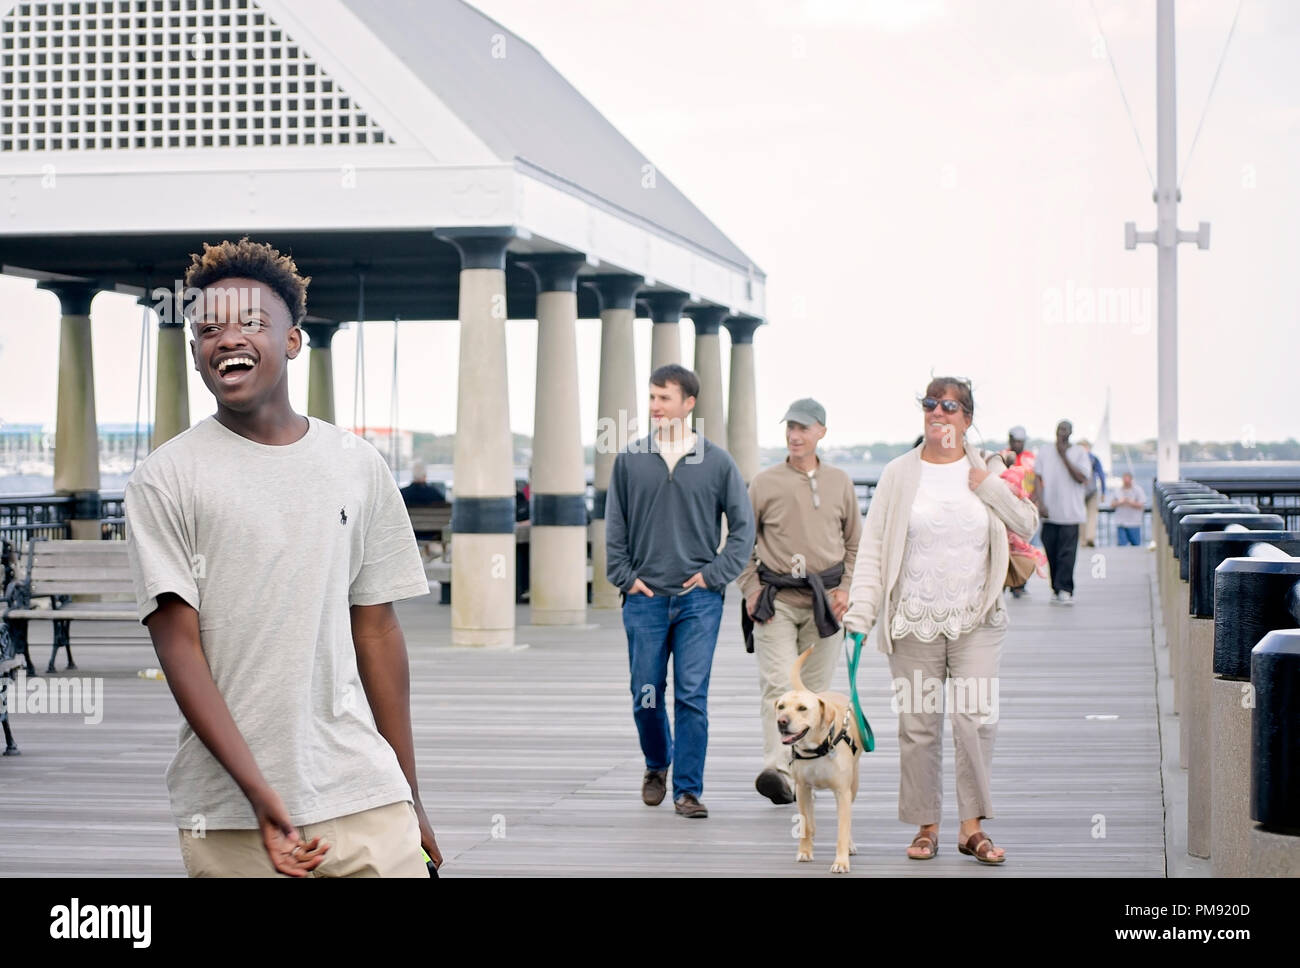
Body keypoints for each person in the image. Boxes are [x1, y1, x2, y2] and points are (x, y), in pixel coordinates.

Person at [124, 239, 441, 877]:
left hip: (363, 793)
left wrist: (410, 795)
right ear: (194, 354)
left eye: (250, 322)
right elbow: (178, 649)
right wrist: (262, 796)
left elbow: (376, 629)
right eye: (208, 328)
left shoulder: (357, 466)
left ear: (292, 341)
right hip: (231, 814)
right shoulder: (165, 480)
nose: (226, 338)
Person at [842, 377, 1037, 865]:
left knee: (974, 721)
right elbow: (873, 549)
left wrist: (988, 487)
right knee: (918, 726)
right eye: (930, 404)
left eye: (949, 406)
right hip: (912, 619)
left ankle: (971, 828)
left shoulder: (988, 468)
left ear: (967, 418)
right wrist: (862, 613)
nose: (938, 413)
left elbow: (1027, 523)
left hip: (977, 617)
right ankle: (926, 825)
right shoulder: (897, 474)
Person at [605, 364, 755, 819]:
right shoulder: (629, 460)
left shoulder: (717, 462)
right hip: (644, 599)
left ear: (689, 404)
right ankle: (656, 764)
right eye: (651, 398)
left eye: (664, 398)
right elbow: (615, 526)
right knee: (646, 694)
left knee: (692, 695)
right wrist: (624, 577)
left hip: (699, 601)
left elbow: (743, 529)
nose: (655, 407)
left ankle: (687, 790)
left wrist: (715, 575)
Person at [738, 398, 861, 805]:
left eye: (804, 428)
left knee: (815, 695)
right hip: (775, 602)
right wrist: (751, 589)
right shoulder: (764, 482)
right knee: (778, 686)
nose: (795, 434)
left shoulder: (841, 482)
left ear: (821, 432)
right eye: (790, 426)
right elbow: (741, 542)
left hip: (826, 604)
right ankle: (779, 771)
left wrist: (846, 588)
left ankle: (803, 770)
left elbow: (856, 544)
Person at [1033, 420, 1090, 604]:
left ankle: (1065, 588)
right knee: (1051, 552)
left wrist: (1064, 456)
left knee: (1067, 553)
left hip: (1071, 514)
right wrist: (1040, 503)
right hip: (1050, 514)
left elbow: (1081, 477)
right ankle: (1056, 587)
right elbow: (1038, 478)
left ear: (1071, 433)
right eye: (1059, 429)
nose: (1061, 433)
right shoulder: (1045, 451)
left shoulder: (1079, 453)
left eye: (1065, 430)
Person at [1000, 426, 1036, 598]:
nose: (1018, 444)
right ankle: (1003, 582)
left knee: (1024, 549)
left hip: (1024, 509)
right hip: (1006, 509)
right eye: (1015, 440)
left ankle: (1019, 584)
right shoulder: (1002, 456)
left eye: (1021, 441)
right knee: (1005, 547)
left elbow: (1034, 485)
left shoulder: (1030, 459)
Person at [1078, 440, 1107, 547]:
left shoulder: (1075, 459)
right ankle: (1090, 537)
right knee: (1092, 516)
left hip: (1079, 492)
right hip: (1092, 490)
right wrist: (1104, 491)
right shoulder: (1094, 458)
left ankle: (1083, 540)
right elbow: (1101, 475)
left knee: (1081, 517)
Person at [1111, 472, 1147, 546]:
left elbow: (1141, 504)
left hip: (1134, 523)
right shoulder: (1118, 490)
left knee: (1136, 545)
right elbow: (1112, 504)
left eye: (1128, 481)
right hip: (1121, 522)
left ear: (1131, 480)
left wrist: (1130, 502)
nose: (1126, 482)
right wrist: (1120, 502)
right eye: (1125, 481)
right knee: (1122, 545)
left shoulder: (1138, 490)